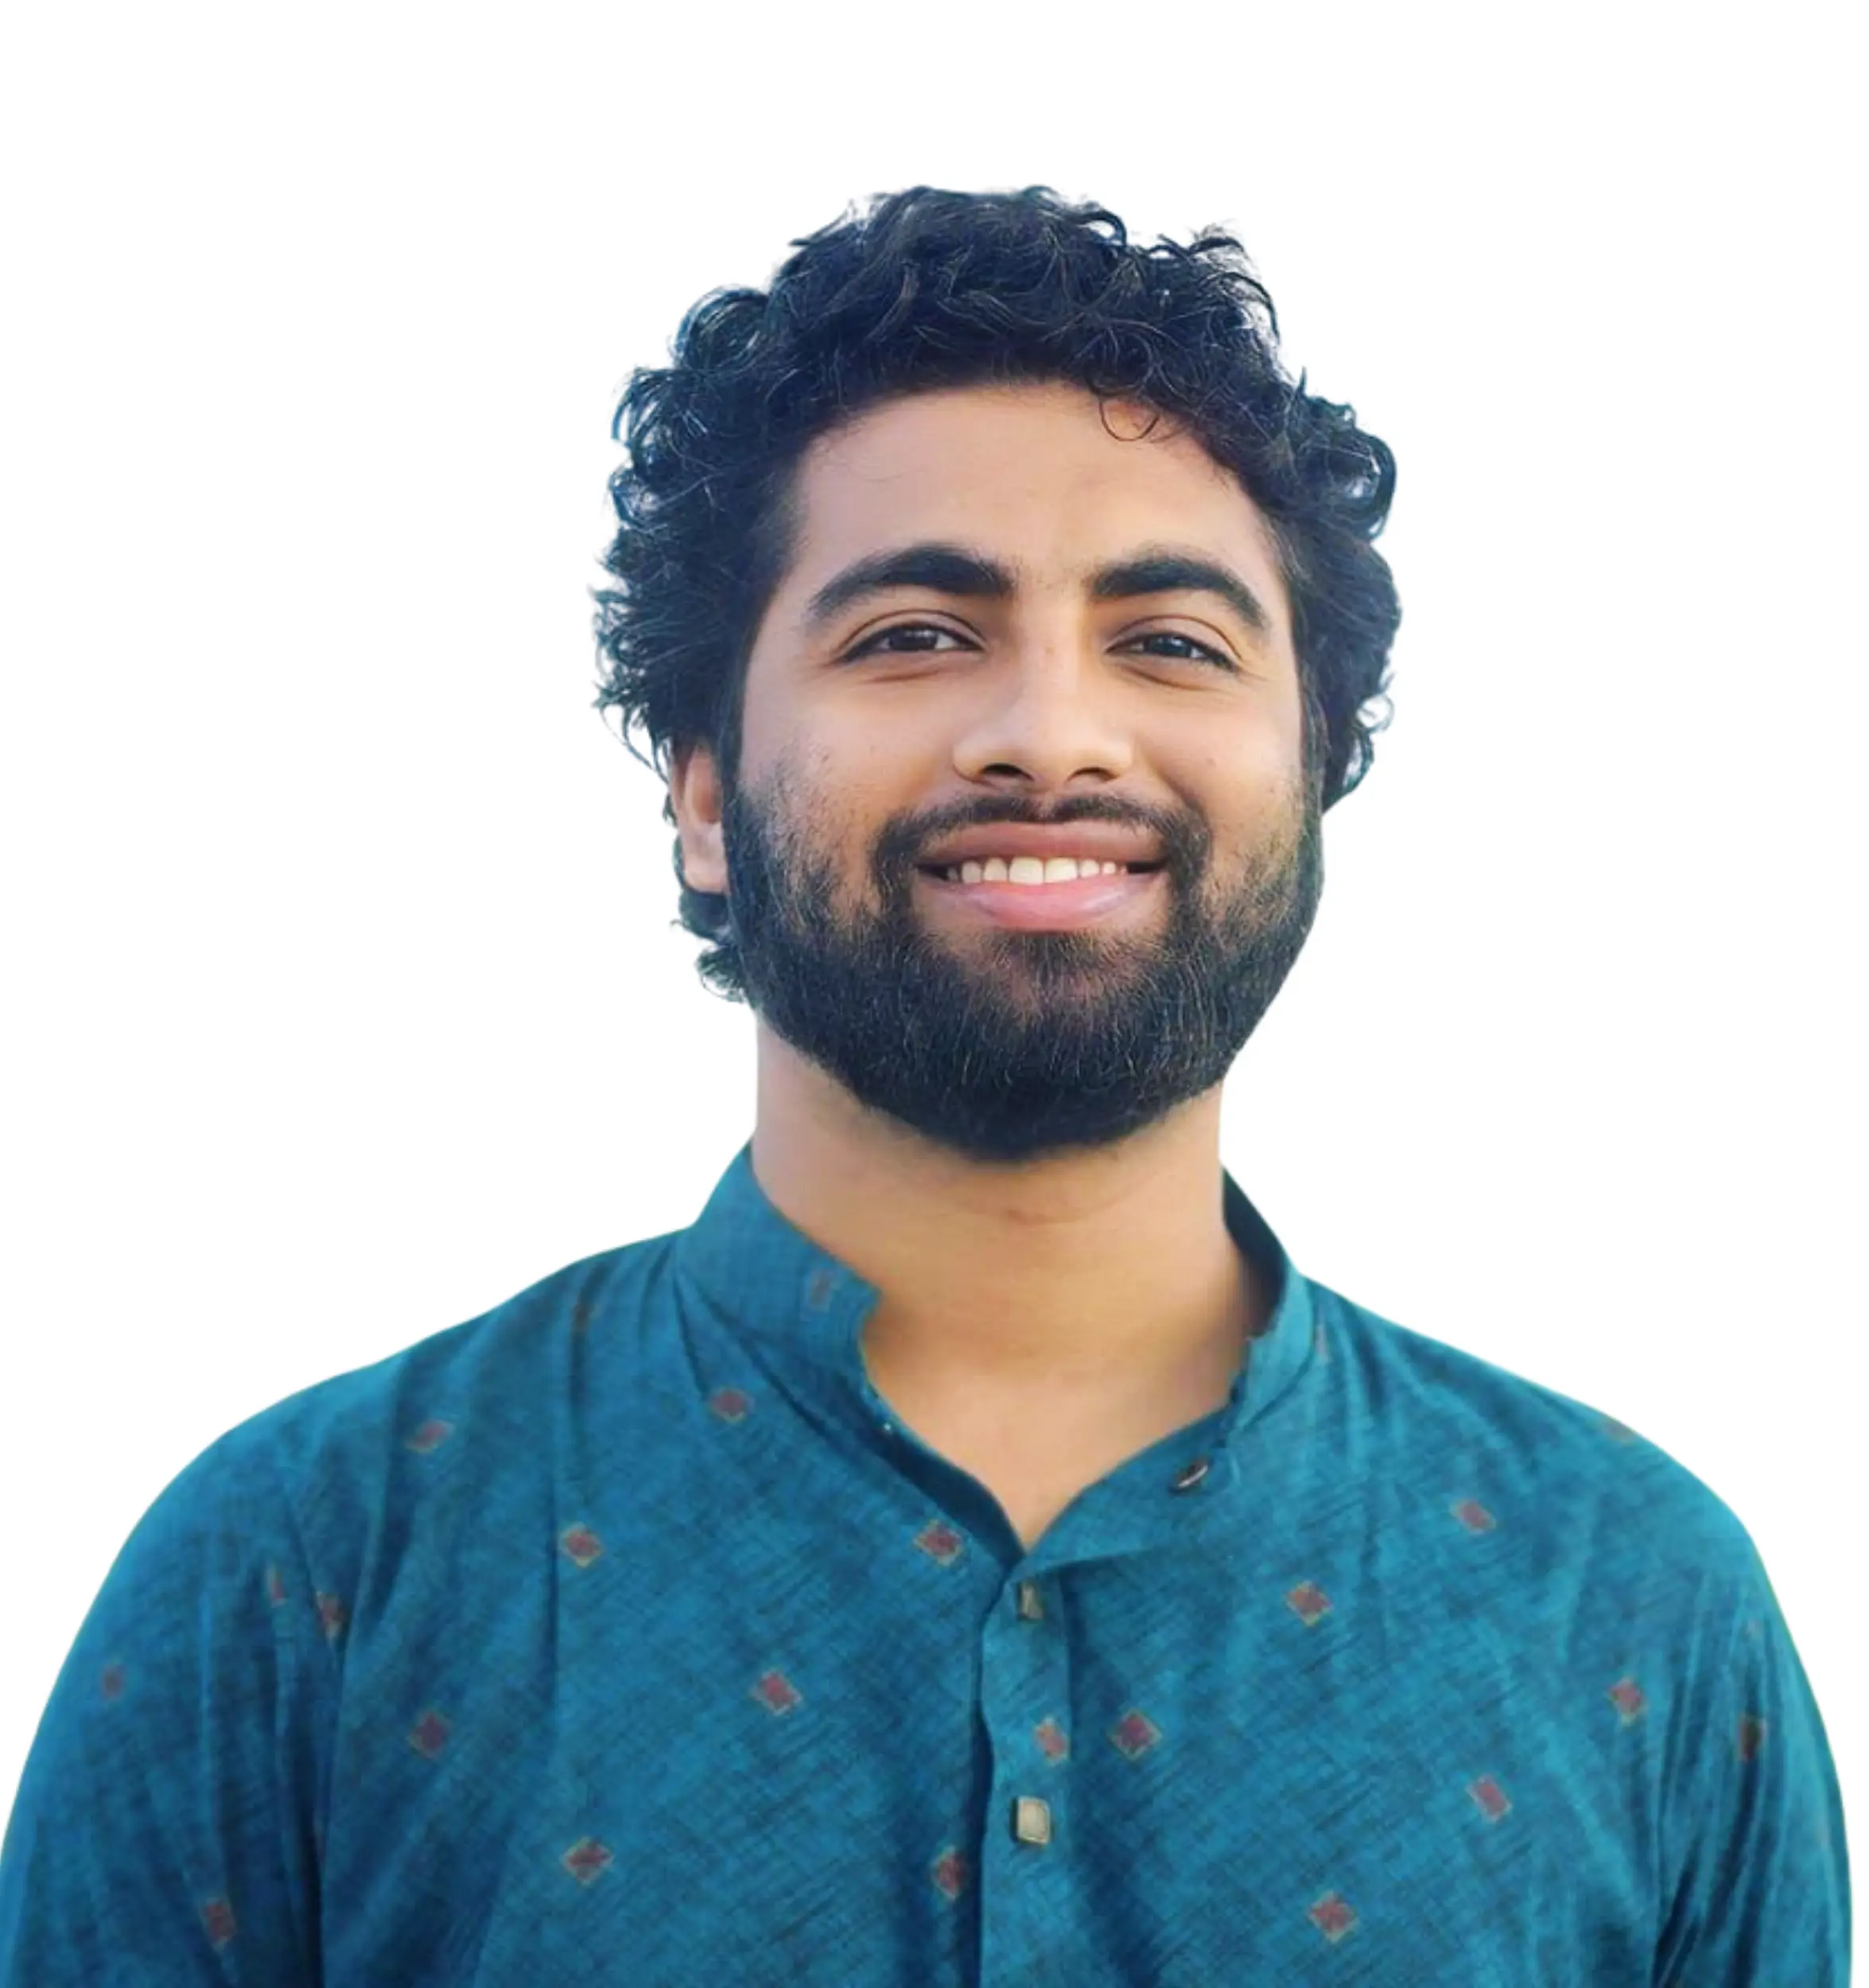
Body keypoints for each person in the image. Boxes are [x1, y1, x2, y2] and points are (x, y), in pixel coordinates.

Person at [0, 184, 1848, 1985]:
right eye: (911, 635)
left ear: (1310, 775)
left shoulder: (1628, 1600)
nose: (1049, 733)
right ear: (703, 790)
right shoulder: (307, 1563)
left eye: (1170, 642)